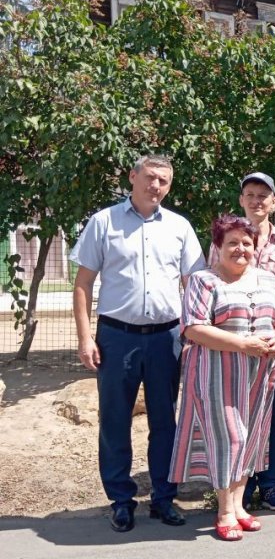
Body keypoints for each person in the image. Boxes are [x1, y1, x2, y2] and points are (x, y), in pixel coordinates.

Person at [70, 153, 206, 533]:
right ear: (132, 177)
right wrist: (85, 337)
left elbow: (194, 284)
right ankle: (120, 500)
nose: (155, 186)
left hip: (167, 338)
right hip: (117, 337)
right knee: (115, 421)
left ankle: (164, 497)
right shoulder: (104, 222)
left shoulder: (179, 227)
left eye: (163, 180)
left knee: (166, 422)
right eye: (149, 177)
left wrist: (194, 333)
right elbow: (82, 284)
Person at [169, 215, 275, 541]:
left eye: (246, 243)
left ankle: (238, 506)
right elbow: (193, 327)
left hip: (259, 374)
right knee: (229, 439)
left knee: (250, 439)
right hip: (216, 374)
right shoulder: (203, 281)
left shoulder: (266, 279)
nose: (240, 249)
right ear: (218, 246)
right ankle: (223, 510)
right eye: (232, 242)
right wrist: (243, 345)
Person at [211, 172, 275, 512]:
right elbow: (213, 285)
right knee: (234, 417)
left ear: (274, 202)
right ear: (241, 200)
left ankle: (271, 484)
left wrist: (274, 324)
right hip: (232, 348)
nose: (256, 200)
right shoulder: (224, 242)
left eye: (263, 195)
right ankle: (236, 490)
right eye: (249, 194)